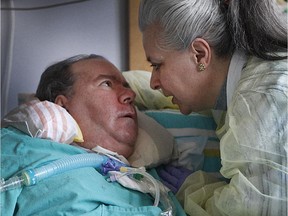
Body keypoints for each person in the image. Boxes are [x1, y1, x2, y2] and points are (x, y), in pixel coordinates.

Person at [138, 0, 287, 215]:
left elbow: (252, 209)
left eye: (157, 65)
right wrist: (123, 86)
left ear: (200, 54)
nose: (153, 82)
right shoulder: (245, 74)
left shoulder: (260, 99)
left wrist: (194, 190)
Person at [1, 54, 186, 215]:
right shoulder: (20, 150)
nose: (129, 94)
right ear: (63, 105)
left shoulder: (151, 183)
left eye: (126, 86)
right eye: (106, 83)